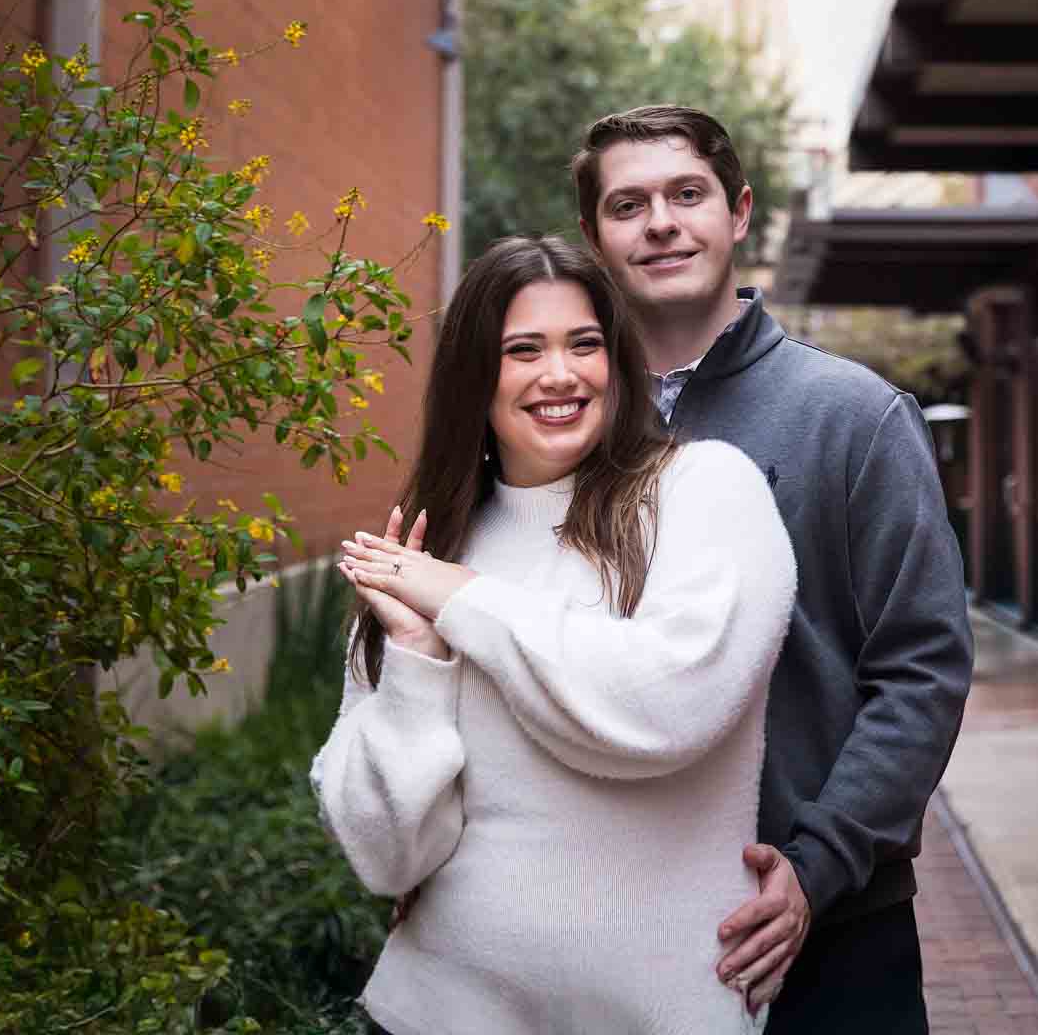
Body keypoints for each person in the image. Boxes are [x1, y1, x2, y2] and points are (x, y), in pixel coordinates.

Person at [312, 234, 796, 1035]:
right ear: (477, 375)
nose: (560, 375)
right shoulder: (431, 549)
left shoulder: (703, 492)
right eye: (522, 350)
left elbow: (662, 709)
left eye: (584, 344)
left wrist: (463, 600)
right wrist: (414, 659)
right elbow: (388, 856)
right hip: (440, 1012)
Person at [573, 107, 974, 1033]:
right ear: (594, 238)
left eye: (687, 194)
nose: (661, 222)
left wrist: (818, 862)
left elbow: (922, 668)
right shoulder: (566, 425)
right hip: (613, 921)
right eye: (628, 204)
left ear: (739, 211)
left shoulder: (853, 416)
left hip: (831, 929)